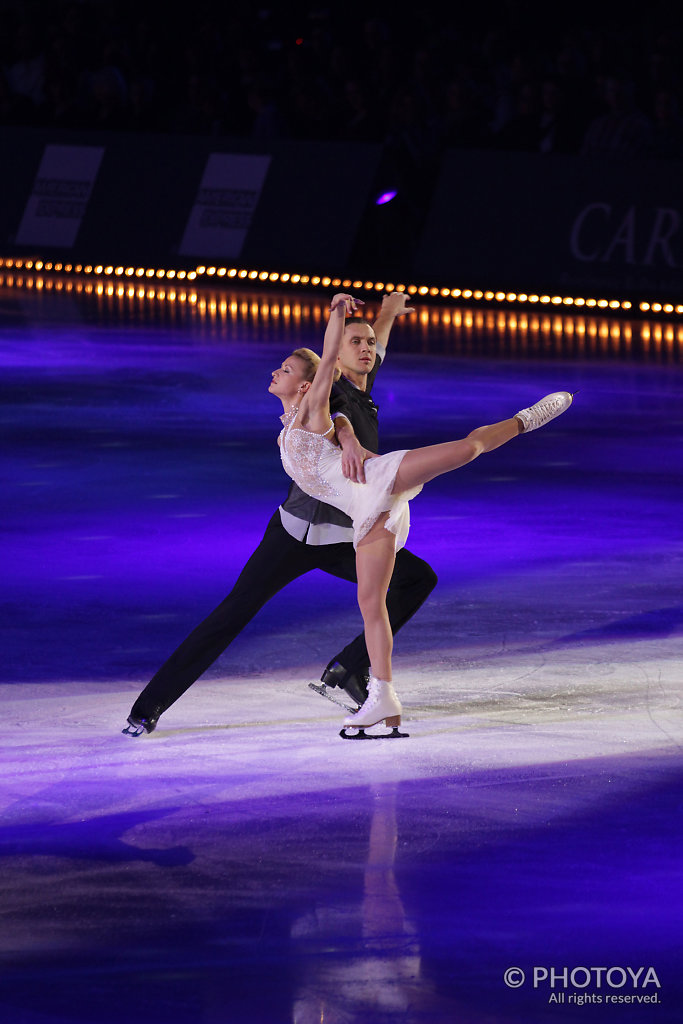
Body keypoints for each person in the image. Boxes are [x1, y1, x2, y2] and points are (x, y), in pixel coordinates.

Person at [123, 292, 437, 736]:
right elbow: (337, 411)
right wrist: (346, 438)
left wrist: (385, 315)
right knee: (232, 612)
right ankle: (150, 705)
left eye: (370, 344)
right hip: (290, 536)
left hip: (340, 540)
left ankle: (350, 667)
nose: (367, 349)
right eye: (357, 344)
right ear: (337, 359)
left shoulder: (361, 384)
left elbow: (368, 351)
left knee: (416, 577)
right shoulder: (335, 394)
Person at [274, 293, 573, 735]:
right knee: (371, 605)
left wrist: (338, 313)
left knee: (468, 448)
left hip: (379, 479)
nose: (275, 371)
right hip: (367, 513)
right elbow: (346, 388)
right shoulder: (293, 425)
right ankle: (383, 700)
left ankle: (527, 418)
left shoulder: (316, 407)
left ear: (306, 384)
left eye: (285, 369)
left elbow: (337, 367)